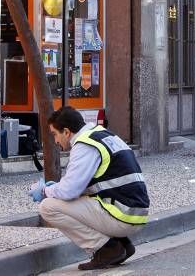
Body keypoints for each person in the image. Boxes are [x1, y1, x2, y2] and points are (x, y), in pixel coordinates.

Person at [28, 106, 149, 270]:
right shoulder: (103, 135)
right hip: (134, 213)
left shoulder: (85, 145)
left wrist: (44, 191)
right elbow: (88, 184)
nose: (55, 141)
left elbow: (70, 191)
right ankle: (120, 243)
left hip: (122, 216)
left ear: (66, 131)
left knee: (48, 207)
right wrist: (56, 187)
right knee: (76, 198)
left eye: (55, 134)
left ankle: (106, 249)